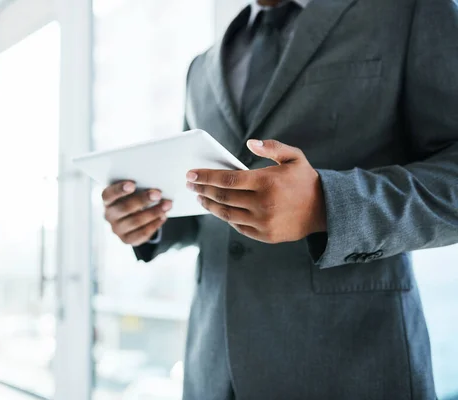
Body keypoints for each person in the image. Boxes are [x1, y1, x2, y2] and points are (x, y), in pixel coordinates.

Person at [101, 0, 458, 398]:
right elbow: (204, 202)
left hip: (352, 368)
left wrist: (327, 205)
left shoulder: (410, 11)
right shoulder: (200, 68)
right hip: (212, 371)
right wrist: (148, 221)